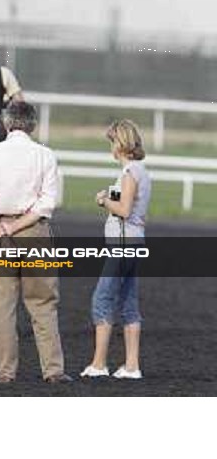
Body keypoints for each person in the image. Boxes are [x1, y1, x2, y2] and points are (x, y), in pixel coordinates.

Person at [0, 100, 72, 384]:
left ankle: (5, 372)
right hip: (33, 234)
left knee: (3, 307)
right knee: (42, 302)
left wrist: (2, 230)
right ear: (32, 124)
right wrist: (17, 227)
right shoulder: (45, 155)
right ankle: (53, 370)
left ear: (6, 123)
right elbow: (46, 203)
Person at [80, 119, 151, 380]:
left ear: (119, 144)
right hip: (133, 241)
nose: (110, 147)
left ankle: (99, 364)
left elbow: (124, 210)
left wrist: (103, 200)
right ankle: (131, 366)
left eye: (112, 142)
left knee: (102, 300)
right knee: (128, 303)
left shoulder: (130, 172)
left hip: (122, 244)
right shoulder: (140, 170)